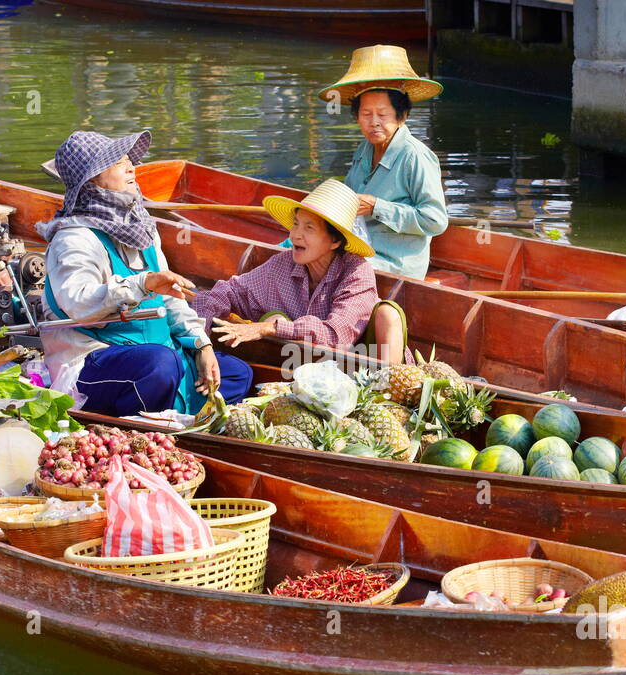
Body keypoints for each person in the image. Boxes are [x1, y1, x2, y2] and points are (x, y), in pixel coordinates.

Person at [37, 130, 251, 417]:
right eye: (117, 163)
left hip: (158, 351)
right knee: (160, 366)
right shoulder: (74, 238)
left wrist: (201, 344)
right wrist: (142, 284)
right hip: (96, 359)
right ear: (92, 181)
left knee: (237, 374)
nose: (131, 168)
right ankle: (144, 423)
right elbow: (78, 303)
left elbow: (172, 299)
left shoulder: (141, 227)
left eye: (128, 160)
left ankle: (176, 418)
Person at [195, 179, 395, 360]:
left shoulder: (356, 272)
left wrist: (270, 327)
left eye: (309, 228)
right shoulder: (283, 263)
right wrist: (198, 341)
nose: (296, 235)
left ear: (335, 240)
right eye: (296, 224)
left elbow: (337, 335)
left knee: (388, 314)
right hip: (301, 368)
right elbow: (228, 292)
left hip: (357, 374)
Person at [322, 44, 448, 292]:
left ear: (402, 116)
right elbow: (348, 198)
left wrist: (378, 207)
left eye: (383, 114)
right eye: (366, 114)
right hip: (358, 247)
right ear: (357, 117)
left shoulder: (416, 157)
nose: (374, 122)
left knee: (325, 265)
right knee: (293, 251)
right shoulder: (365, 148)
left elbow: (435, 220)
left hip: (394, 262)